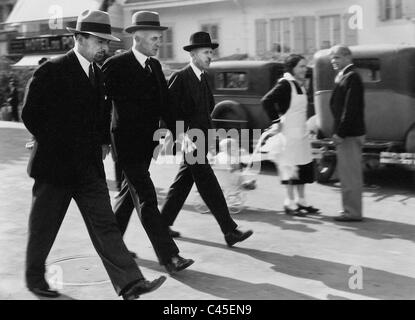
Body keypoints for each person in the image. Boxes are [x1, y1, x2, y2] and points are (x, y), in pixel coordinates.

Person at [21, 9, 165, 300]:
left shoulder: (98, 74)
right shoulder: (52, 69)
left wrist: (101, 142)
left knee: (106, 226)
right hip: (55, 168)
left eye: (106, 42)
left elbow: (101, 116)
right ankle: (34, 279)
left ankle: (130, 283)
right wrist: (59, 143)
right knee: (43, 228)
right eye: (99, 41)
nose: (104, 47)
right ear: (79, 38)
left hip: (88, 170)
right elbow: (30, 115)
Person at [102, 11, 194, 273]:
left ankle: (112, 244)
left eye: (158, 38)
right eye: (154, 38)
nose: (158, 43)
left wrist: (180, 132)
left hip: (146, 145)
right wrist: (100, 139)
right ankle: (170, 257)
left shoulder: (154, 66)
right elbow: (99, 103)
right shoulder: (116, 65)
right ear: (137, 38)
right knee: (146, 196)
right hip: (125, 144)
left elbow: (165, 104)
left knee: (128, 195)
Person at [159, 31, 253, 247]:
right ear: (193, 54)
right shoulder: (180, 77)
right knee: (209, 184)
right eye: (206, 52)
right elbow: (168, 110)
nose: (211, 56)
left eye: (211, 52)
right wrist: (181, 135)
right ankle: (229, 230)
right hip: (189, 139)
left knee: (183, 183)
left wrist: (212, 141)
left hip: (201, 139)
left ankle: (162, 224)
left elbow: (207, 110)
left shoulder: (202, 78)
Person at [262, 54, 320, 216]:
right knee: (291, 169)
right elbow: (266, 101)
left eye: (305, 66)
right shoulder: (285, 84)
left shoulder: (299, 85)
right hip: (289, 135)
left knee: (303, 167)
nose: (304, 69)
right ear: (292, 68)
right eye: (301, 66)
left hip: (301, 134)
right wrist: (276, 120)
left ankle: (302, 201)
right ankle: (289, 202)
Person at [329, 45, 365, 222]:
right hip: (348, 134)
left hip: (349, 134)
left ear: (348, 57)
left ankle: (352, 212)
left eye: (336, 57)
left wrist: (340, 133)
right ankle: (349, 210)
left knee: (350, 176)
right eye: (332, 58)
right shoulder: (346, 76)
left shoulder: (352, 77)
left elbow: (350, 109)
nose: (333, 61)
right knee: (347, 174)